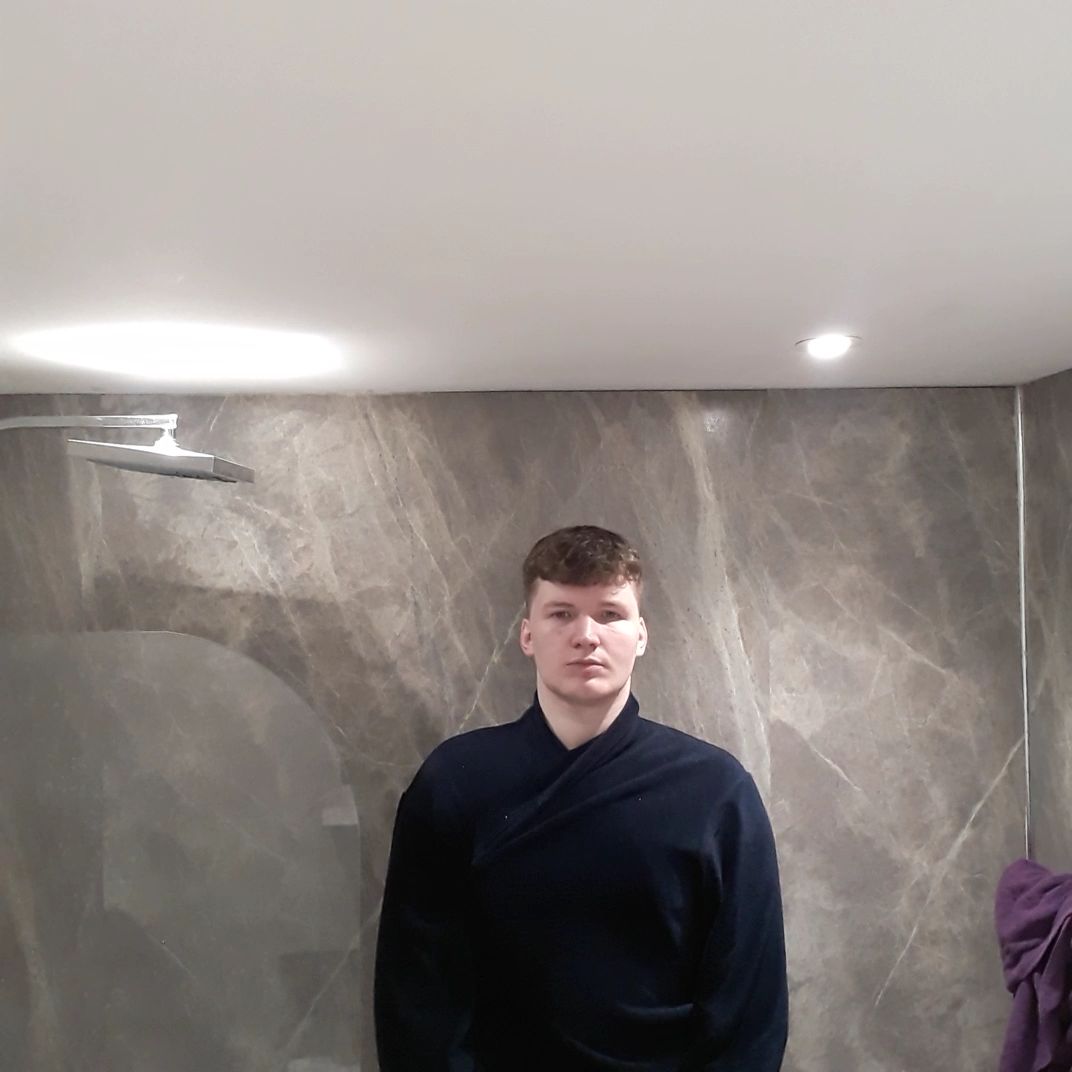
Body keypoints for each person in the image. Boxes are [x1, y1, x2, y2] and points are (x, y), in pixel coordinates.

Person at [374, 525, 788, 1071]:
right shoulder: (456, 780)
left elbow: (750, 1006)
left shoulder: (715, 790)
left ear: (641, 635)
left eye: (610, 614)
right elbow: (417, 993)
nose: (586, 635)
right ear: (527, 635)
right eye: (562, 613)